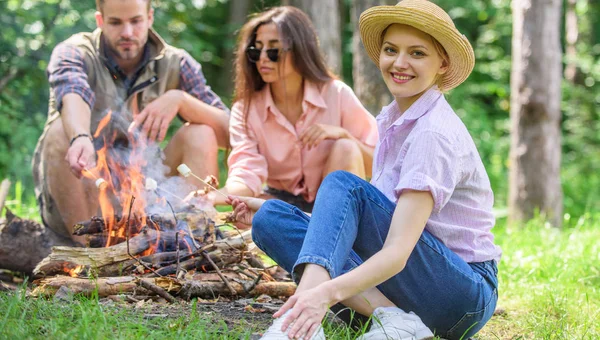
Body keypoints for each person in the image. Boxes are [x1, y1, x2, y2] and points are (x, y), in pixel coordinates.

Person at [228, 0, 502, 339]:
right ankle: (393, 319)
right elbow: (358, 227)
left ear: (442, 63)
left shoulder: (433, 133)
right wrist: (267, 205)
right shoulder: (394, 121)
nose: (399, 63)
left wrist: (320, 295)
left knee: (346, 185)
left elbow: (397, 252)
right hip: (410, 287)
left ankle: (302, 317)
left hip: (460, 295)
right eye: (391, 50)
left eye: (417, 53)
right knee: (271, 218)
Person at [32, 0, 230, 245]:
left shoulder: (176, 62)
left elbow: (230, 134)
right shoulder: (74, 52)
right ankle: (90, 256)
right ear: (100, 20)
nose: (127, 33)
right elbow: (73, 94)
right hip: (84, 193)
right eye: (116, 22)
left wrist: (181, 100)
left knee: (201, 133)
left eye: (135, 21)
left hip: (147, 194)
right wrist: (80, 137)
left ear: (150, 18)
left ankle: (192, 243)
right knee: (61, 131)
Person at [204, 6, 377, 212]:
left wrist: (344, 135)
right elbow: (246, 171)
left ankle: (332, 230)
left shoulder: (336, 94)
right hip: (280, 201)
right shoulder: (246, 108)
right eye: (256, 50)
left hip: (337, 203)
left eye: (273, 51)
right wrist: (215, 196)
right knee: (252, 210)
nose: (262, 59)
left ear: (300, 50)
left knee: (346, 147)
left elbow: (379, 162)